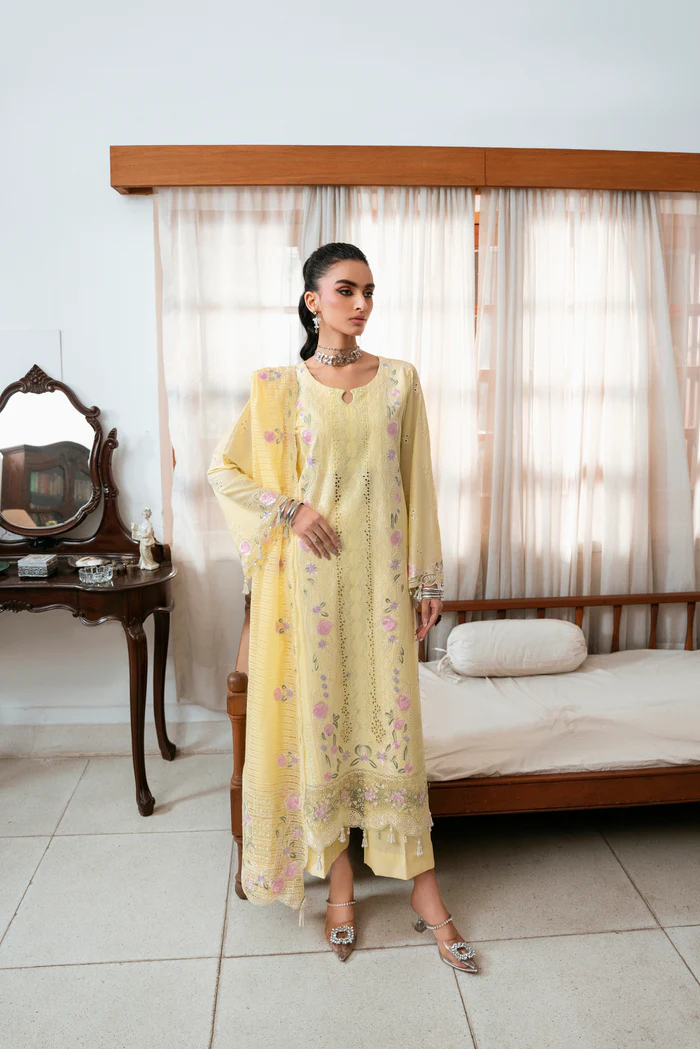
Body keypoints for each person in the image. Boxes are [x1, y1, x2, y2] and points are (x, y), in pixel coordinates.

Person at [207, 242, 478, 974]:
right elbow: (224, 471)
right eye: (345, 290)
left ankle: (424, 889)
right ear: (313, 300)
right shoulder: (279, 390)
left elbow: (417, 481)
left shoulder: (399, 381)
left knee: (393, 729)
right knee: (322, 726)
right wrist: (289, 508)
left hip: (383, 583)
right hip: (311, 586)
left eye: (369, 291)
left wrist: (427, 579)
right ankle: (340, 887)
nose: (361, 304)